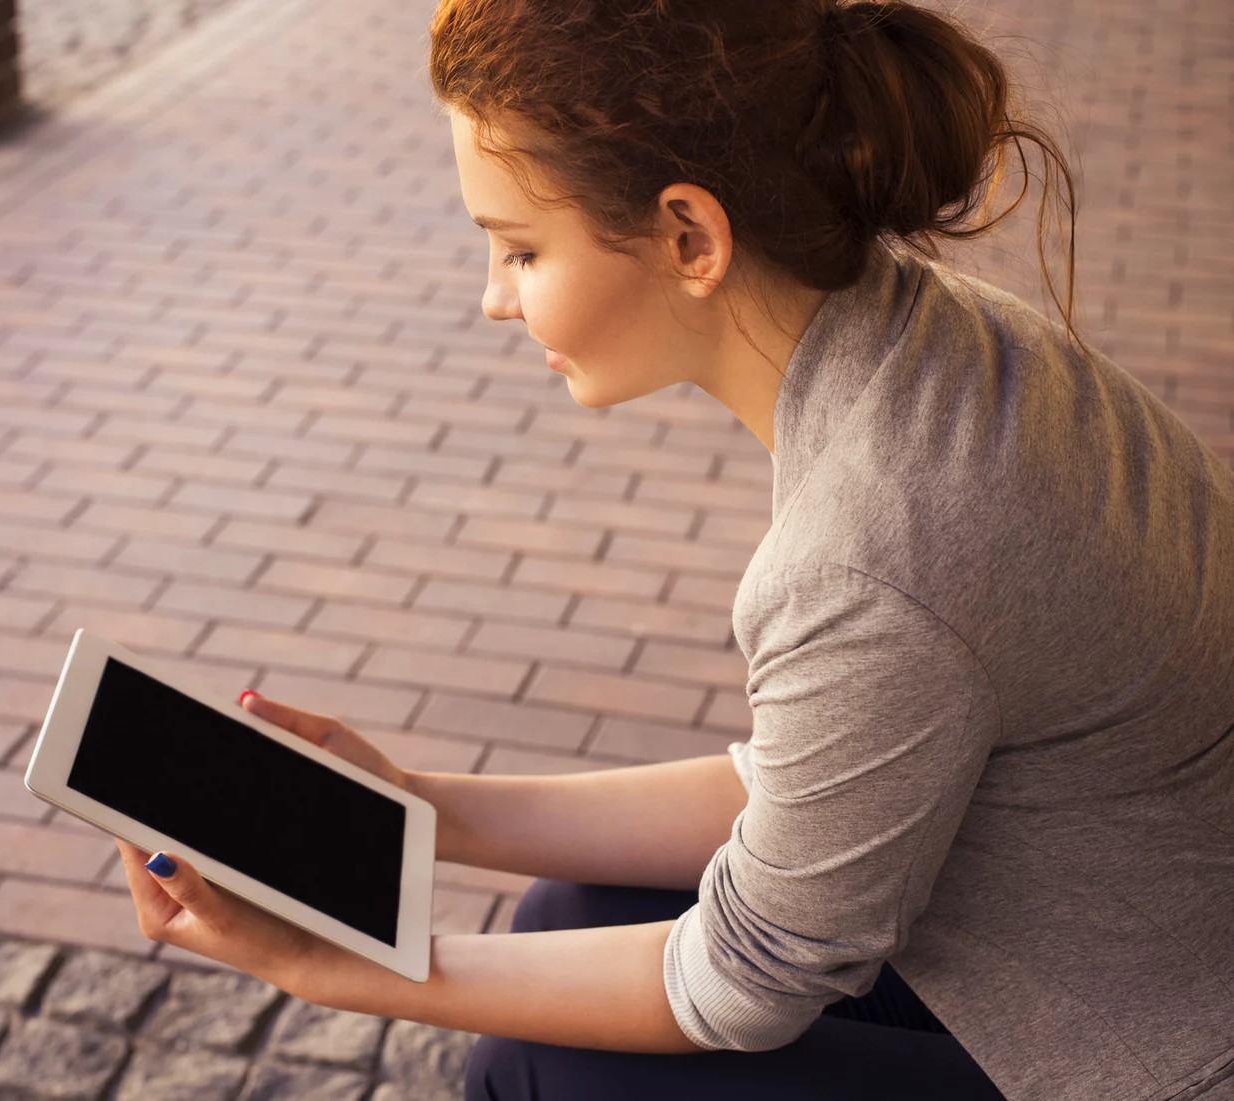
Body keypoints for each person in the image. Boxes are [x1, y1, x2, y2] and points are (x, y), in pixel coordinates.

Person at [233, 0, 1233, 1098]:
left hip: (1155, 1059)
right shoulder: (933, 342)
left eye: (520, 250)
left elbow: (745, 983)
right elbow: (816, 777)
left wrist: (336, 967)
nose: (494, 300)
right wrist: (418, 807)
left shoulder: (870, 551)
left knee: (539, 1072)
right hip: (1102, 953)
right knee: (566, 911)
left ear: (689, 239)